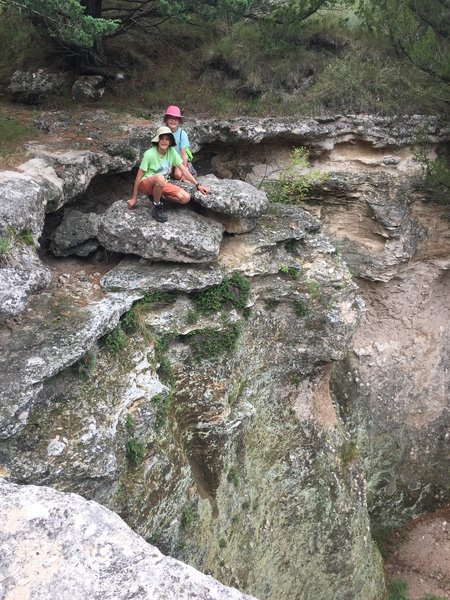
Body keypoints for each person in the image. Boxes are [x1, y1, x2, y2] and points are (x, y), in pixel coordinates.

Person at [128, 126, 208, 223]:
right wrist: (134, 198)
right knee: (160, 178)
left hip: (161, 183)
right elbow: (139, 176)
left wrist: (198, 185)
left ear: (170, 142)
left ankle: (158, 196)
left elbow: (184, 170)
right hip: (146, 183)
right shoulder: (149, 154)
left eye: (167, 139)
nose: (164, 141)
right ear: (157, 140)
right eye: (162, 138)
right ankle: (157, 206)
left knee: (185, 198)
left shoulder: (171, 152)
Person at [163, 105, 196, 181]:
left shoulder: (182, 134)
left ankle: (188, 168)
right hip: (168, 158)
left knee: (178, 175)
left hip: (179, 158)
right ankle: (172, 169)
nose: (173, 121)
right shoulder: (163, 132)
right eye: (171, 118)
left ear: (179, 121)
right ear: (166, 120)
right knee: (167, 173)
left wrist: (184, 171)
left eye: (176, 119)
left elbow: (183, 154)